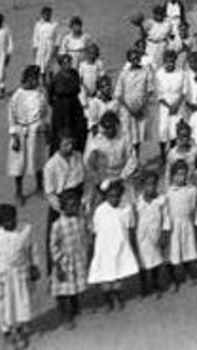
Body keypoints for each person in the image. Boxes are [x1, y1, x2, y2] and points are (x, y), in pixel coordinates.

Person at [0, 203, 38, 349]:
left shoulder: (26, 230)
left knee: (20, 304)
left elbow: (32, 249)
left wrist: (34, 266)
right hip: (2, 277)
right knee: (2, 307)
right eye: (6, 221)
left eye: (12, 219)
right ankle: (7, 334)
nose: (10, 223)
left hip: (20, 275)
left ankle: (19, 332)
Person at [88, 179, 139, 312]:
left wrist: (132, 245)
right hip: (104, 248)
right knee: (105, 279)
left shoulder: (126, 208)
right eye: (111, 196)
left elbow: (130, 227)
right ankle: (107, 301)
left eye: (117, 196)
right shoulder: (100, 211)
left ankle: (118, 297)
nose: (114, 199)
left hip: (120, 245)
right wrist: (93, 249)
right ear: (105, 196)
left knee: (117, 277)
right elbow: (95, 231)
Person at [7, 65, 50, 204]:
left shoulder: (40, 92)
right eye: (34, 79)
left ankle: (39, 187)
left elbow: (44, 111)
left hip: (36, 131)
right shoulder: (17, 96)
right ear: (28, 79)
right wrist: (14, 136)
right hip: (21, 132)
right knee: (19, 163)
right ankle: (19, 191)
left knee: (38, 159)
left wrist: (46, 129)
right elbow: (11, 117)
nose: (36, 82)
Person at [42, 135, 85, 273]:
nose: (70, 147)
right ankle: (54, 271)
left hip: (77, 199)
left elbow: (87, 178)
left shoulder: (78, 156)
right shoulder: (51, 165)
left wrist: (84, 200)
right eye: (66, 144)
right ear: (58, 146)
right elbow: (49, 192)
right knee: (57, 239)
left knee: (79, 236)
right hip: (61, 203)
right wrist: (62, 209)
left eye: (71, 143)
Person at [48, 190, 86, 330]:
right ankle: (65, 315)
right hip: (63, 263)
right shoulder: (57, 225)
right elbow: (53, 246)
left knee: (74, 286)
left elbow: (83, 237)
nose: (74, 208)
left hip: (77, 259)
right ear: (62, 207)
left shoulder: (80, 219)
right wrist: (58, 265)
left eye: (76, 205)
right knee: (63, 291)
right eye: (70, 206)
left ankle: (75, 307)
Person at [165, 160, 197, 288]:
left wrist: (196, 223)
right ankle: (174, 280)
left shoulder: (192, 190)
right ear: (173, 176)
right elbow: (166, 210)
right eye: (178, 174)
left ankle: (190, 275)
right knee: (174, 253)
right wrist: (167, 227)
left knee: (188, 250)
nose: (181, 177)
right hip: (174, 226)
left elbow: (195, 208)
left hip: (187, 224)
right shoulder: (169, 192)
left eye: (184, 174)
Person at [133, 171, 168, 297]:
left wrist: (164, 233)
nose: (151, 187)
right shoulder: (138, 201)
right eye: (148, 185)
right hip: (141, 236)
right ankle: (144, 287)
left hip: (155, 234)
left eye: (153, 184)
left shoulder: (161, 200)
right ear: (142, 186)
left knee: (156, 262)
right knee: (143, 263)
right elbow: (134, 219)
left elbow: (166, 218)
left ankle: (156, 286)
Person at [115, 48, 154, 159]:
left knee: (138, 137)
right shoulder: (123, 74)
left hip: (141, 108)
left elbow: (150, 90)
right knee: (128, 136)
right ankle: (128, 161)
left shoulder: (146, 72)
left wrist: (141, 107)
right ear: (129, 60)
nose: (135, 60)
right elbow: (118, 94)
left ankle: (136, 160)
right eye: (132, 58)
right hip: (127, 110)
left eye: (137, 58)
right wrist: (130, 109)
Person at [32, 7, 59, 84]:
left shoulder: (54, 24)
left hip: (50, 46)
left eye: (48, 14)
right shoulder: (38, 24)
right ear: (42, 15)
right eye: (45, 14)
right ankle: (43, 82)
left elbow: (57, 38)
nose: (47, 16)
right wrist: (35, 49)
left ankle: (51, 83)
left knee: (49, 66)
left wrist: (56, 49)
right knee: (41, 66)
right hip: (41, 47)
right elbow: (35, 37)